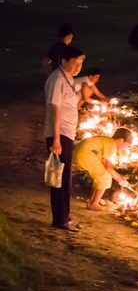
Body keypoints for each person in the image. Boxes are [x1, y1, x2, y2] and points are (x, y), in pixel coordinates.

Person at [44, 45, 85, 232]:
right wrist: (57, 139)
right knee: (60, 179)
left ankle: (64, 217)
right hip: (60, 135)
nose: (78, 66)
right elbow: (55, 108)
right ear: (64, 61)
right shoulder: (57, 80)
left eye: (81, 63)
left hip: (67, 133)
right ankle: (60, 219)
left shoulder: (68, 79)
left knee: (64, 177)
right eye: (75, 63)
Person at [73, 128, 133, 210]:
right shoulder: (111, 144)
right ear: (121, 140)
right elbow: (108, 167)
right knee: (105, 177)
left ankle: (92, 202)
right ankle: (94, 203)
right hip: (85, 156)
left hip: (81, 155)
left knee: (99, 177)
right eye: (126, 145)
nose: (124, 148)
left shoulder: (107, 141)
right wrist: (120, 179)